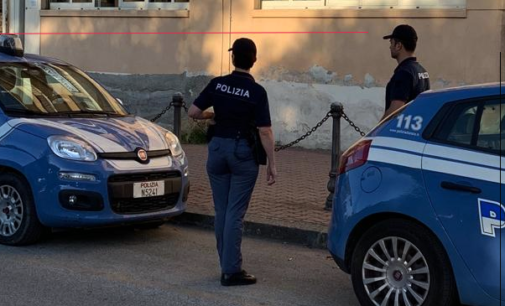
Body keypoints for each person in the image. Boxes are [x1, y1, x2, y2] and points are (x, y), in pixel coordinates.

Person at [188, 38, 277, 287]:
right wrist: (272, 163)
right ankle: (231, 270)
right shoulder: (257, 92)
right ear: (254, 60)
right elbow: (265, 131)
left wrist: (212, 115)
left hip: (217, 150)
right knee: (235, 213)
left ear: (232, 58)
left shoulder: (218, 84)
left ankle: (225, 264)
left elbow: (193, 112)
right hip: (242, 153)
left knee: (222, 211)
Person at [381, 24, 430, 120]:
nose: (390, 47)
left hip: (400, 132)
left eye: (391, 43)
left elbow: (396, 109)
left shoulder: (404, 73)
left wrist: (377, 130)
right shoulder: (422, 71)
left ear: (398, 45)